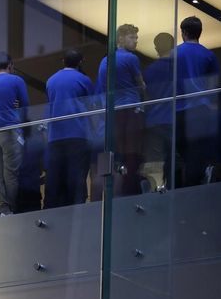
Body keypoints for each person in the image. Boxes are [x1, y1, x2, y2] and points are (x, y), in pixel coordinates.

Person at [97, 24, 146, 196]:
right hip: (131, 110)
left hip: (112, 112)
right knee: (133, 151)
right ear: (120, 39)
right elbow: (141, 85)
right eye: (132, 37)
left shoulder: (105, 60)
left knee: (118, 151)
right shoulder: (131, 58)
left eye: (136, 37)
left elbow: (100, 90)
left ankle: (116, 189)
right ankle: (130, 188)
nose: (136, 40)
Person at [44, 49, 94, 208]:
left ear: (63, 61)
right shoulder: (84, 80)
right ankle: (78, 209)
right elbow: (92, 105)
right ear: (81, 62)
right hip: (77, 133)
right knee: (77, 177)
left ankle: (51, 211)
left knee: (55, 177)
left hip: (55, 136)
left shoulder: (51, 81)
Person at [175, 16, 221, 186]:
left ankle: (184, 187)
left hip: (178, 109)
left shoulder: (174, 54)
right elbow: (213, 87)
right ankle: (198, 180)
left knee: (182, 154)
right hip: (201, 110)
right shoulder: (208, 55)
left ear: (183, 32)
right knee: (198, 152)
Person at [0, 51, 29, 215]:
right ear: (10, 65)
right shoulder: (16, 80)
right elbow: (25, 105)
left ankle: (2, 209)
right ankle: (11, 209)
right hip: (9, 131)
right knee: (11, 173)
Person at [142, 32, 175, 189]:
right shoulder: (177, 67)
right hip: (172, 119)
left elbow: (146, 95)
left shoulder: (149, 71)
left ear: (156, 48)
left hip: (153, 121)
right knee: (174, 158)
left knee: (155, 162)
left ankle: (157, 189)